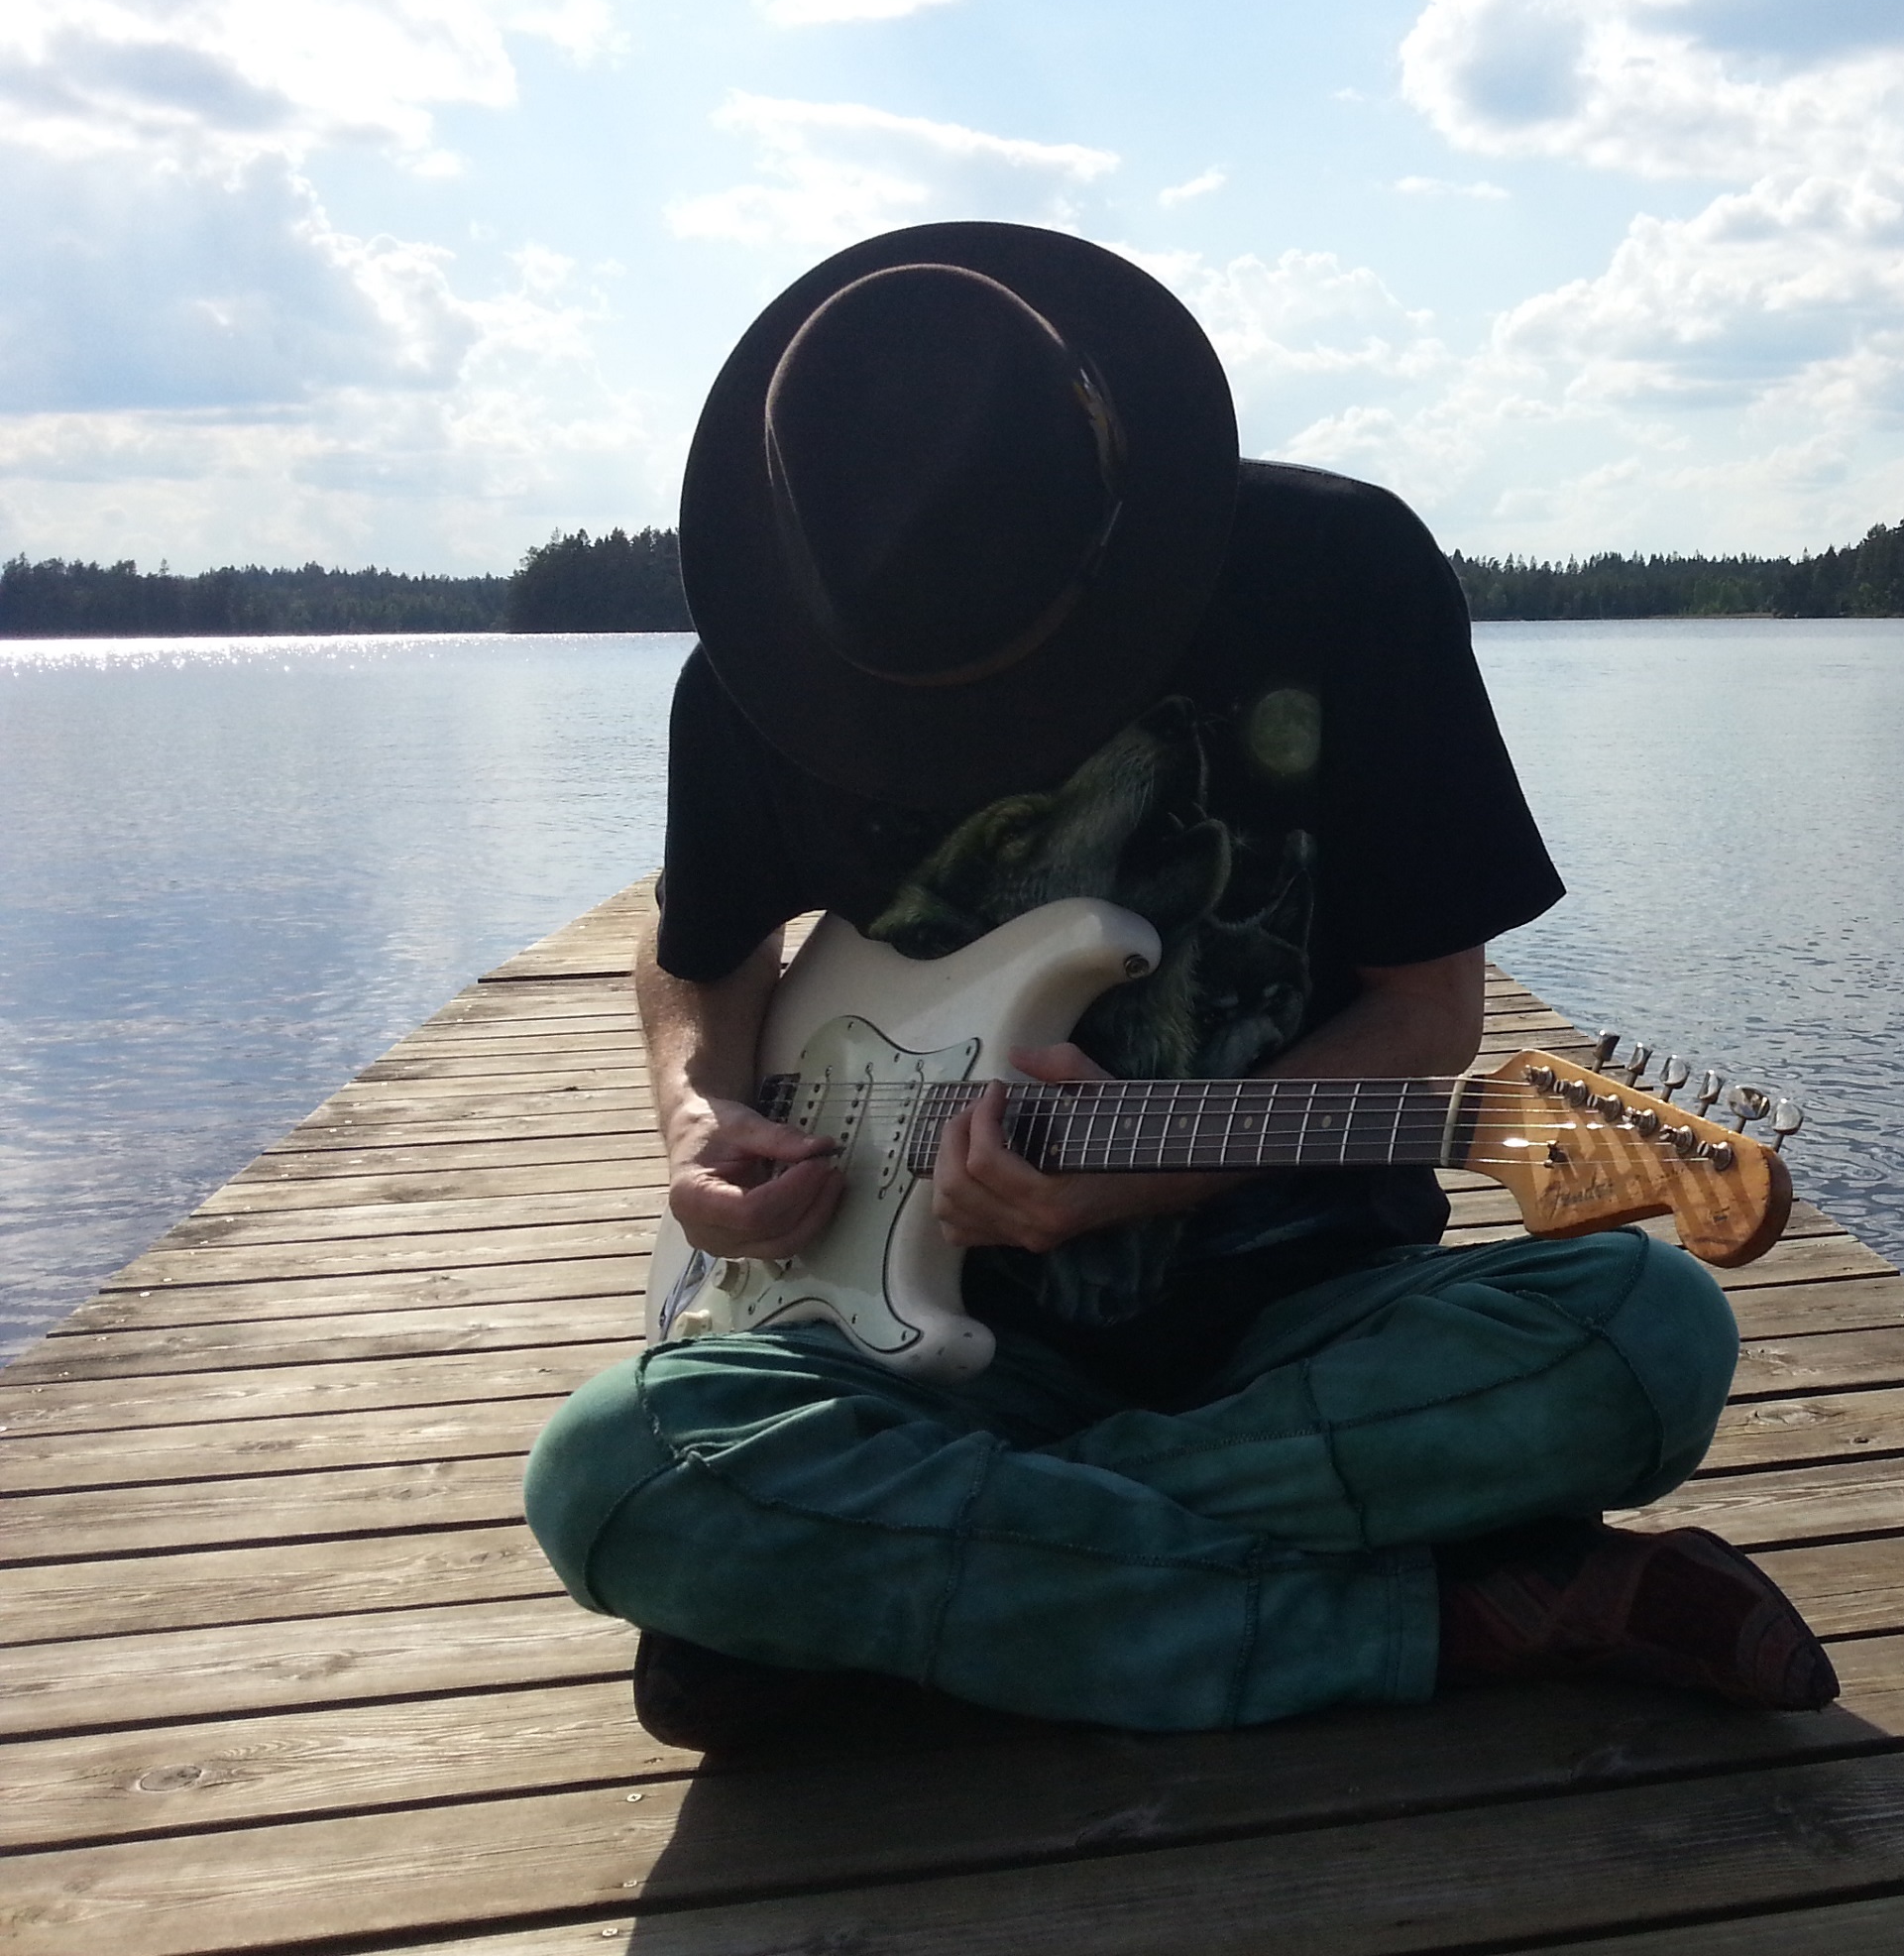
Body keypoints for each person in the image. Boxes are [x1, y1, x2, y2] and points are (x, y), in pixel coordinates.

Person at [520, 222, 1836, 1746]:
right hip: (923, 1360)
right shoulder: (772, 659)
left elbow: (1427, 1013)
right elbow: (701, 944)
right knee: (610, 1472)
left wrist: (1150, 1177)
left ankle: (907, 1591)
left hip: (1309, 1329)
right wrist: (695, 1114)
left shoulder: (1340, 576)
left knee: (1648, 1337)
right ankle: (1449, 1617)